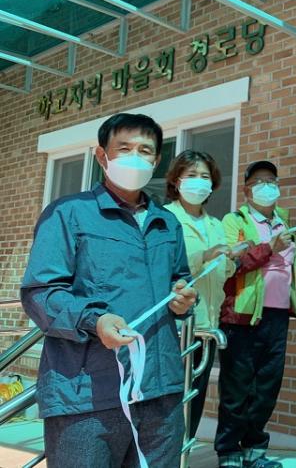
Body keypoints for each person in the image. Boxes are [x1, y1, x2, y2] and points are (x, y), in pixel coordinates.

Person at [20, 113, 197, 467]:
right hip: (86, 395)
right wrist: (94, 320)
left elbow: (180, 281)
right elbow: (40, 293)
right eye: (124, 148)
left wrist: (184, 300)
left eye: (145, 151)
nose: (136, 157)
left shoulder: (167, 223)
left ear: (156, 160)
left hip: (159, 393)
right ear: (102, 156)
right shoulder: (69, 214)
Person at [215, 161, 296, 468]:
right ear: (246, 190)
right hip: (241, 317)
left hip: (277, 317)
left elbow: (289, 267)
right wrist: (269, 247)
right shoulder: (234, 221)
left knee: (266, 388)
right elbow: (232, 265)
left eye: (272, 180)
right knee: (237, 389)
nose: (267, 186)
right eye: (259, 181)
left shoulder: (283, 221)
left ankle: (255, 451)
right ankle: (228, 451)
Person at [164, 149, 241, 440]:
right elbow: (163, 267)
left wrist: (231, 259)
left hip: (207, 326)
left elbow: (223, 273)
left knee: (194, 398)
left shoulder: (216, 225)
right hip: (174, 327)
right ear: (177, 180)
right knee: (169, 401)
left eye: (205, 176)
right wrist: (203, 256)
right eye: (192, 175)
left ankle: (183, 452)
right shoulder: (165, 218)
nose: (199, 181)